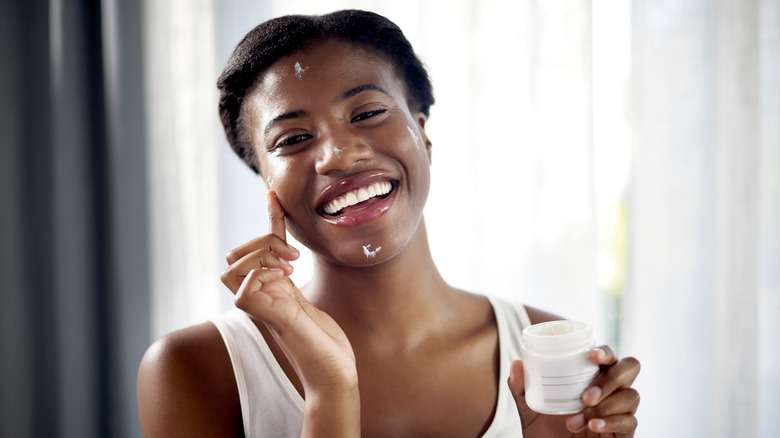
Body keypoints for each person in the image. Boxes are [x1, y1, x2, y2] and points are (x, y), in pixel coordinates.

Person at [137, 9, 640, 438]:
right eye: (292, 140)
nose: (339, 154)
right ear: (267, 184)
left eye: (368, 113)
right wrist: (330, 392)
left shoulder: (547, 349)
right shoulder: (194, 367)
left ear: (423, 136)